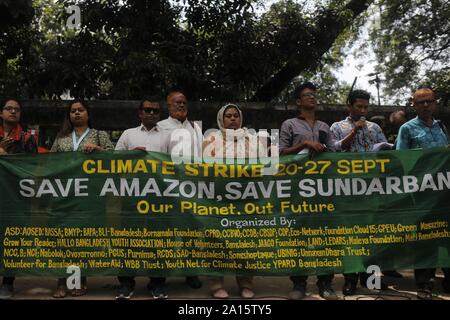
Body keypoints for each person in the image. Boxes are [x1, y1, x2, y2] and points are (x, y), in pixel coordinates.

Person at [279, 82, 338, 300]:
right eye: (307, 95)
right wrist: (304, 144)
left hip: (323, 188)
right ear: (298, 101)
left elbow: (334, 153)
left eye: (314, 94)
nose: (312, 98)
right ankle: (299, 284)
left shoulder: (325, 125)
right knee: (299, 236)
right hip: (298, 188)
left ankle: (325, 283)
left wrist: (325, 149)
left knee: (326, 236)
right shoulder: (289, 124)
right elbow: (280, 153)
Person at [50, 100, 114, 298]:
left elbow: (114, 159)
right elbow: (50, 162)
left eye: (81, 110)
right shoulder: (61, 138)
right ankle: (62, 281)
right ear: (69, 115)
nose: (77, 113)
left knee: (83, 239)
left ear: (88, 114)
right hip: (65, 194)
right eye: (73, 111)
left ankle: (78, 280)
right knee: (63, 240)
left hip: (90, 196)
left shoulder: (99, 135)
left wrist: (98, 150)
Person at [330, 89, 391, 295]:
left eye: (366, 107)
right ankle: (350, 279)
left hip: (373, 188)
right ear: (349, 106)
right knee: (352, 236)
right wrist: (354, 131)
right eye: (359, 106)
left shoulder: (374, 127)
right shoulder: (337, 127)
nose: (363, 110)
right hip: (349, 190)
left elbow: (387, 150)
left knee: (372, 235)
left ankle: (372, 279)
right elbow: (335, 150)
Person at [203, 103, 262, 299]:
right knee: (216, 242)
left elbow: (263, 165)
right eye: (228, 116)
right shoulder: (211, 138)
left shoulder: (252, 139)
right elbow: (203, 166)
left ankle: (246, 283)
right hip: (218, 199)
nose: (233, 119)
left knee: (245, 242)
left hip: (246, 198)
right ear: (221, 119)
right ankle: (216, 283)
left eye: (236, 115)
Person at [396, 86, 450, 299]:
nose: (426, 105)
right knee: (424, 237)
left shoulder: (441, 127)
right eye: (421, 102)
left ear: (435, 103)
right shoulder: (407, 129)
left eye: (429, 101)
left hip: (444, 192)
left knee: (446, 236)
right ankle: (424, 284)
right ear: (413, 105)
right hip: (421, 193)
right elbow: (401, 160)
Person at [114, 97, 168, 300]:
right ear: (140, 113)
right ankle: (126, 283)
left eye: (155, 111)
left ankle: (157, 284)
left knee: (159, 240)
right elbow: (114, 161)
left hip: (160, 196)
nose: (152, 113)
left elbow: (176, 165)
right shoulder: (128, 134)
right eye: (147, 110)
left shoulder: (169, 136)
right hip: (131, 195)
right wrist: (130, 155)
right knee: (129, 240)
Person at [157, 91, 203, 290]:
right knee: (166, 232)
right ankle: (162, 275)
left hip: (192, 188)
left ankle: (190, 271)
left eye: (184, 102)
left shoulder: (196, 127)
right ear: (168, 106)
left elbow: (203, 156)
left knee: (191, 232)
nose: (181, 106)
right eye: (176, 103)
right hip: (167, 187)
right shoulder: (161, 127)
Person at [0, 98, 37, 300]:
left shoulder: (27, 138)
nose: (13, 112)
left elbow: (30, 167)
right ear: (1, 113)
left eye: (17, 110)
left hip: (15, 196)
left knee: (12, 238)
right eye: (9, 109)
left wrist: (7, 157)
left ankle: (8, 281)